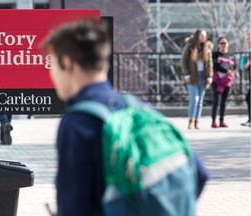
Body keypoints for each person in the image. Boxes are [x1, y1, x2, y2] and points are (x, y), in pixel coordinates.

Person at [43, 18, 208, 216]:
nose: (51, 73)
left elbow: (74, 209)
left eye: (51, 64)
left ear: (67, 63)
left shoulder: (79, 123)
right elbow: (200, 174)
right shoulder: (140, 108)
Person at [180, 29, 213, 129]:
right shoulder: (189, 46)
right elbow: (183, 61)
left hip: (203, 76)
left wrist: (210, 76)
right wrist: (187, 75)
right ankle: (191, 120)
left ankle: (197, 121)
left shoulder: (207, 48)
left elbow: (210, 64)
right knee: (194, 99)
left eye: (205, 36)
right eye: (202, 35)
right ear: (197, 36)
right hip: (192, 76)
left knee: (200, 100)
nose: (203, 37)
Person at [211, 37, 236, 128]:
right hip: (217, 81)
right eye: (221, 43)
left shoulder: (231, 55)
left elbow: (235, 66)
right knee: (216, 100)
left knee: (224, 101)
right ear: (218, 45)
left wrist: (230, 72)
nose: (223, 45)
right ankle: (213, 121)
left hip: (227, 81)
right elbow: (214, 66)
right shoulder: (215, 54)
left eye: (225, 43)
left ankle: (222, 120)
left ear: (228, 44)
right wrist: (225, 71)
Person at [241, 33, 251, 127]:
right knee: (248, 98)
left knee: (249, 98)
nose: (248, 40)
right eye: (248, 38)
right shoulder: (247, 52)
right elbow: (243, 66)